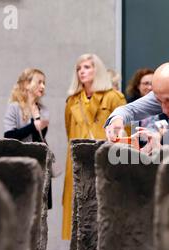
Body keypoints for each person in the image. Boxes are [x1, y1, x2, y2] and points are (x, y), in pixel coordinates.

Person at [62, 53, 126, 240]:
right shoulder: (72, 101)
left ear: (97, 69)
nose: (82, 71)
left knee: (104, 209)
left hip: (106, 158)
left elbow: (125, 133)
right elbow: (69, 132)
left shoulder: (114, 97)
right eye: (79, 68)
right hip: (78, 161)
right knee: (79, 210)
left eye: (87, 67)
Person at [3, 68, 52, 210]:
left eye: (44, 83)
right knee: (21, 209)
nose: (43, 86)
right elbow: (8, 136)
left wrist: (38, 124)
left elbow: (39, 139)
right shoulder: (14, 108)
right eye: (39, 82)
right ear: (26, 84)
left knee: (40, 211)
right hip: (21, 164)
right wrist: (33, 126)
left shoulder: (43, 110)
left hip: (40, 165)